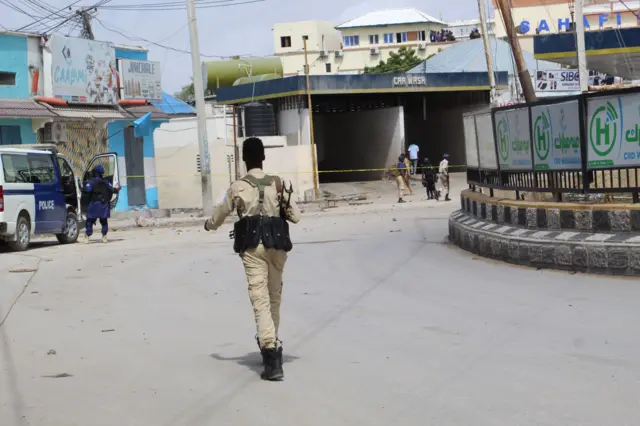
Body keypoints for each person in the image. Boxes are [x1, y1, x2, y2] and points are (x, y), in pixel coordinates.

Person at [204, 137, 301, 381]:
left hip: (252, 248)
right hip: (278, 247)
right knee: (274, 297)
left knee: (260, 300)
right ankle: (272, 344)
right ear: (263, 158)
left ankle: (270, 355)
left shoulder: (238, 187)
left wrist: (209, 225)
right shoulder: (279, 183)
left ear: (244, 160)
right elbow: (296, 216)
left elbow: (219, 215)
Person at [82, 165, 119, 244]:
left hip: (94, 204)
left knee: (90, 221)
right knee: (104, 221)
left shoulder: (91, 182)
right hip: (104, 204)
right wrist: (117, 189)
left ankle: (87, 236)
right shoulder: (106, 182)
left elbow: (87, 190)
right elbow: (113, 190)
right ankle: (104, 236)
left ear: (95, 172)